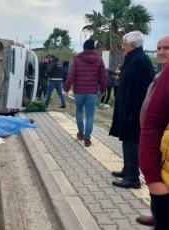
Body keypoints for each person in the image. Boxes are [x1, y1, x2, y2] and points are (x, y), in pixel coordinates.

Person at [109, 31, 155, 189]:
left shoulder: (139, 61)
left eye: (125, 44)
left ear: (133, 45)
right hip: (127, 109)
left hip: (133, 112)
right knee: (127, 141)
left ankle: (133, 177)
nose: (122, 47)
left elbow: (137, 91)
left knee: (131, 143)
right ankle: (127, 169)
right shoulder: (133, 58)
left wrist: (130, 113)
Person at [136, 35, 169, 228]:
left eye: (166, 48)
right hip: (158, 151)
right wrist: (154, 183)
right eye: (159, 48)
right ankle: (156, 211)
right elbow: (154, 118)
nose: (161, 52)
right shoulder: (162, 75)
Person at [63, 39, 107, 147]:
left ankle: (80, 133)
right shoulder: (99, 60)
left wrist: (66, 87)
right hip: (92, 92)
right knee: (90, 115)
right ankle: (87, 139)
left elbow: (71, 75)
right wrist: (103, 90)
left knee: (79, 112)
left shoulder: (77, 59)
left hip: (79, 91)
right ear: (93, 48)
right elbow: (103, 77)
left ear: (84, 47)